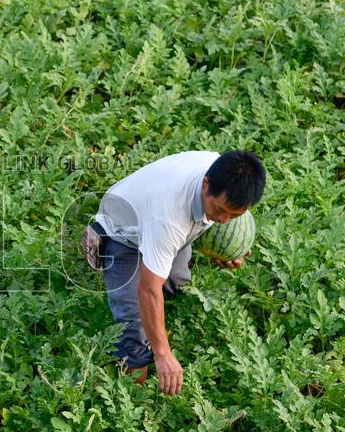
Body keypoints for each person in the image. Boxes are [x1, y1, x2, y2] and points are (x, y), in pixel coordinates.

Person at [85, 150, 266, 395]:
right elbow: (148, 289)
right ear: (205, 184)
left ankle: (155, 327)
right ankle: (134, 398)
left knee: (177, 284)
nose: (224, 220)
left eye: (235, 215)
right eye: (220, 210)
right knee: (134, 327)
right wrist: (163, 354)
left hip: (161, 222)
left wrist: (228, 249)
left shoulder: (226, 173)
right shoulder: (169, 219)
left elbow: (226, 214)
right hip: (123, 232)